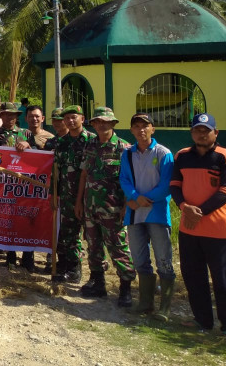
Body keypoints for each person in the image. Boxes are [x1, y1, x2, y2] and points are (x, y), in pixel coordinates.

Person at [171, 113, 226, 334]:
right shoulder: (182, 156)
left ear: (216, 133)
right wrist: (185, 208)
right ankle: (203, 321)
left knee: (222, 280)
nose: (201, 134)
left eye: (206, 130)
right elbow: (175, 185)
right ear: (192, 132)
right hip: (189, 228)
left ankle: (225, 324)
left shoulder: (223, 156)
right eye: (197, 130)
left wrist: (200, 211)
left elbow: (225, 191)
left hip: (218, 229)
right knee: (194, 276)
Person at [75, 106, 135, 306]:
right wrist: (79, 202)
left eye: (105, 122)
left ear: (113, 123)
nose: (101, 125)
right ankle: (97, 282)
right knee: (93, 246)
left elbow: (129, 180)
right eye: (97, 122)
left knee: (118, 248)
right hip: (91, 207)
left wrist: (127, 206)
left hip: (113, 209)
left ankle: (125, 289)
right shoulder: (91, 145)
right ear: (93, 124)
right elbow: (84, 174)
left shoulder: (124, 148)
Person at [119, 113, 175, 318]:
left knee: (164, 260)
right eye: (136, 126)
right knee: (140, 259)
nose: (141, 130)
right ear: (131, 130)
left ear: (153, 129)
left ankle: (165, 308)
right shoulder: (127, 154)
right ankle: (145, 303)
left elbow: (167, 185)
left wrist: (144, 199)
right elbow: (124, 179)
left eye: (145, 126)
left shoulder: (163, 153)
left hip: (157, 214)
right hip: (134, 214)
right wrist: (134, 196)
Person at [0, 101, 36, 272]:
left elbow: (39, 159)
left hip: (24, 186)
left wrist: (29, 146)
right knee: (9, 221)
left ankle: (28, 257)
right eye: (6, 114)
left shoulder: (26, 134)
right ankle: (11, 256)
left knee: (27, 220)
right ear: (1, 116)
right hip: (3, 186)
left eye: (12, 115)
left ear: (17, 116)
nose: (9, 118)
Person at [51, 105, 96, 281]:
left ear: (82, 119)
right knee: (67, 234)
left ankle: (96, 275)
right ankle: (70, 268)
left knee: (92, 237)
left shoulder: (92, 141)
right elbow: (56, 171)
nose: (70, 121)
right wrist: (52, 194)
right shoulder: (62, 143)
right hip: (67, 196)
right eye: (67, 118)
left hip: (90, 197)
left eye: (73, 117)